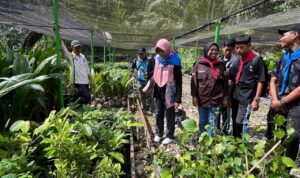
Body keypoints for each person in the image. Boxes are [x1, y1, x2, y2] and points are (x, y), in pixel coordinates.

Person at [270, 24, 300, 162]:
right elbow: (273, 80)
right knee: (279, 133)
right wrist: (275, 100)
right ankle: (277, 164)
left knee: (292, 136)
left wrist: (282, 101)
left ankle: (287, 169)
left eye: (283, 35)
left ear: (295, 35)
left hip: (296, 104)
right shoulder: (283, 57)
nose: (281, 39)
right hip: (279, 102)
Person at [229, 34, 266, 138]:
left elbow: (261, 80)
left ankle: (242, 147)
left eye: (241, 47)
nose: (238, 50)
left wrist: (256, 99)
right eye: (236, 48)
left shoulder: (257, 60)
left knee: (241, 122)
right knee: (234, 120)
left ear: (249, 45)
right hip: (236, 95)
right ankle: (235, 143)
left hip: (247, 96)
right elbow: (232, 78)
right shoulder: (237, 60)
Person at [191, 42, 228, 137]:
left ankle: (210, 143)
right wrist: (194, 96)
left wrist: (225, 97)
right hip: (202, 99)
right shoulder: (199, 65)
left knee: (213, 123)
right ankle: (203, 140)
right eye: (212, 50)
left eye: (216, 50)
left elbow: (225, 83)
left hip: (216, 99)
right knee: (203, 121)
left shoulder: (220, 65)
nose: (214, 52)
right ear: (206, 50)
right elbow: (194, 82)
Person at [152, 39, 182, 145]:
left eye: (162, 51)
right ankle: (159, 133)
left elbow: (179, 81)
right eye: (159, 51)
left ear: (167, 49)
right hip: (159, 91)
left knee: (170, 114)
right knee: (159, 113)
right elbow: (155, 72)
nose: (161, 54)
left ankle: (169, 135)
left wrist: (178, 98)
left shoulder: (175, 61)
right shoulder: (158, 59)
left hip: (170, 93)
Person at [217, 38, 238, 135]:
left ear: (233, 49)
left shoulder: (235, 61)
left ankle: (225, 130)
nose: (228, 52)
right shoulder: (218, 59)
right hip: (217, 89)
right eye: (226, 49)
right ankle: (216, 128)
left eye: (230, 50)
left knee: (226, 110)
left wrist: (229, 93)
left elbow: (234, 79)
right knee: (217, 109)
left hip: (229, 88)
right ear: (222, 48)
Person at [62, 40, 92, 104]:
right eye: (76, 47)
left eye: (79, 47)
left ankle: (68, 103)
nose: (78, 49)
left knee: (80, 96)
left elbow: (87, 69)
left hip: (85, 81)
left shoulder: (83, 56)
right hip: (78, 81)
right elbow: (65, 51)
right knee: (87, 97)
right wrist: (61, 43)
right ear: (72, 47)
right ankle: (75, 105)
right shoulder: (71, 56)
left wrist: (90, 79)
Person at [129, 48, 155, 115]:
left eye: (142, 54)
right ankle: (144, 110)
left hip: (149, 81)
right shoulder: (136, 60)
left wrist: (148, 74)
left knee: (150, 96)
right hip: (140, 81)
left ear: (145, 53)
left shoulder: (150, 60)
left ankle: (153, 110)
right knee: (142, 96)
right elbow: (131, 68)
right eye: (139, 54)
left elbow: (155, 70)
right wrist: (134, 74)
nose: (140, 55)